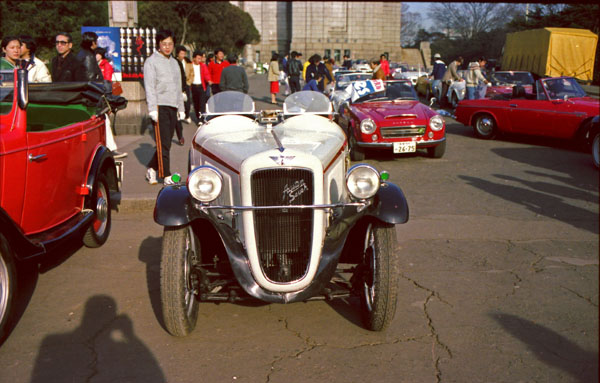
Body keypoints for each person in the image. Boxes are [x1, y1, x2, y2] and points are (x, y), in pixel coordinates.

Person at [143, 29, 185, 185]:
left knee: (165, 143)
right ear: (158, 44)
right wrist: (152, 108)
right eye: (164, 44)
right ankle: (165, 175)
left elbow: (178, 86)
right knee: (163, 143)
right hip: (160, 105)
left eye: (170, 44)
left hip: (172, 105)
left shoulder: (175, 62)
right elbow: (150, 86)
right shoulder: (151, 62)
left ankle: (152, 169)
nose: (167, 47)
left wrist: (181, 108)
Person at [191, 50, 211, 122]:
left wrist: (208, 80)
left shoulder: (203, 66)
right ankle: (198, 116)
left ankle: (202, 119)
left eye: (200, 58)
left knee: (202, 104)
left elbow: (206, 74)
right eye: (198, 58)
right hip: (193, 87)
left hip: (201, 87)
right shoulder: (190, 65)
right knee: (196, 104)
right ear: (194, 58)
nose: (199, 60)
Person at [176, 45, 193, 124]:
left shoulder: (188, 62)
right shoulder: (175, 62)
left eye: (184, 53)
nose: (183, 55)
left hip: (186, 83)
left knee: (187, 101)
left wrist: (189, 82)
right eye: (181, 53)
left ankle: (187, 115)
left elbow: (192, 73)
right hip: (177, 84)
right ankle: (178, 114)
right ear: (178, 54)